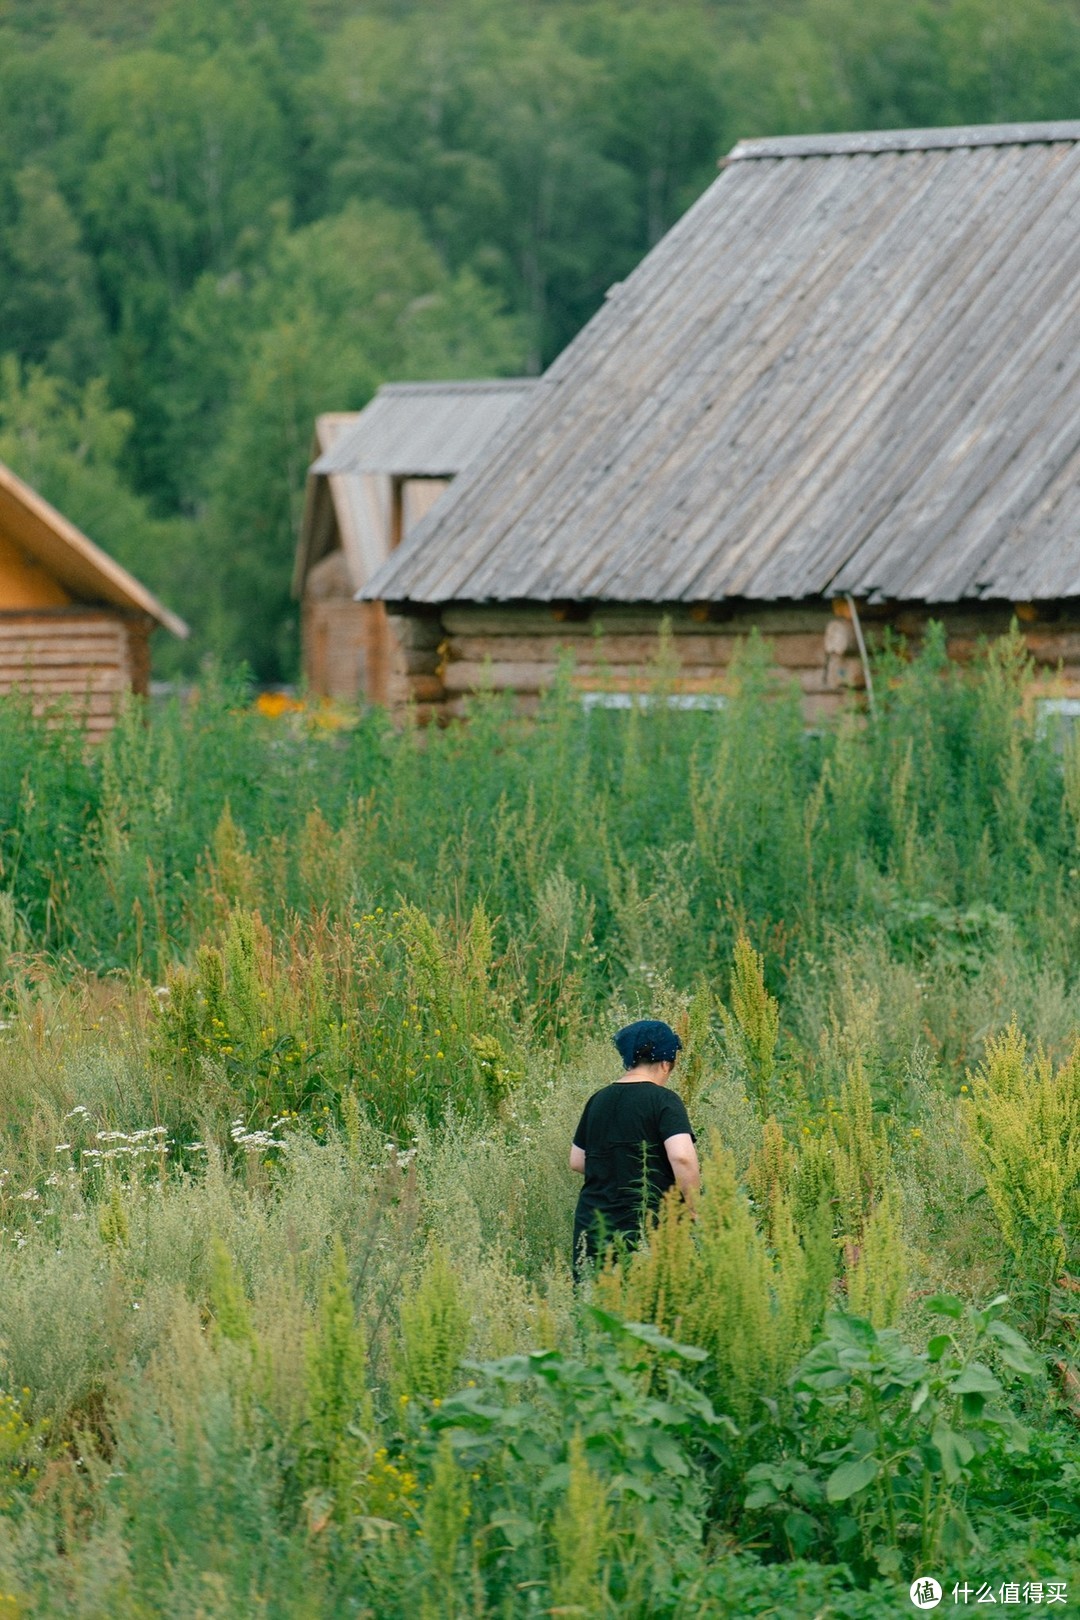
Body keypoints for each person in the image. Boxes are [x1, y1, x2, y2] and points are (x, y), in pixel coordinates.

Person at [569, 1018, 700, 1275]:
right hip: (648, 1227)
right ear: (666, 1062)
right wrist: (695, 1208)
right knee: (650, 1306)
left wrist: (617, 1168)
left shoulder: (598, 1100)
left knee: (595, 1305)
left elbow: (577, 1160)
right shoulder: (664, 1101)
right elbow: (682, 1158)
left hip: (594, 1227)